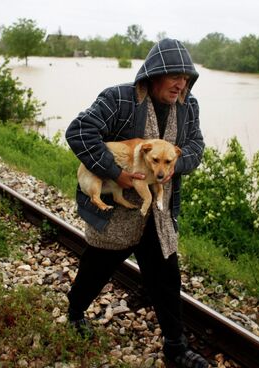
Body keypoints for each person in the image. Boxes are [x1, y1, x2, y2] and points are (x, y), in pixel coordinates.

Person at [65, 39, 209, 367]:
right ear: (154, 75)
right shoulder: (119, 99)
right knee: (96, 268)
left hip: (159, 212)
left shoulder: (189, 107)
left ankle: (175, 346)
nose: (180, 83)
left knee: (167, 276)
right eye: (174, 76)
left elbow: (196, 145)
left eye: (185, 78)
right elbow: (79, 131)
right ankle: (75, 312)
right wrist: (116, 172)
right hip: (118, 210)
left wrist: (175, 166)